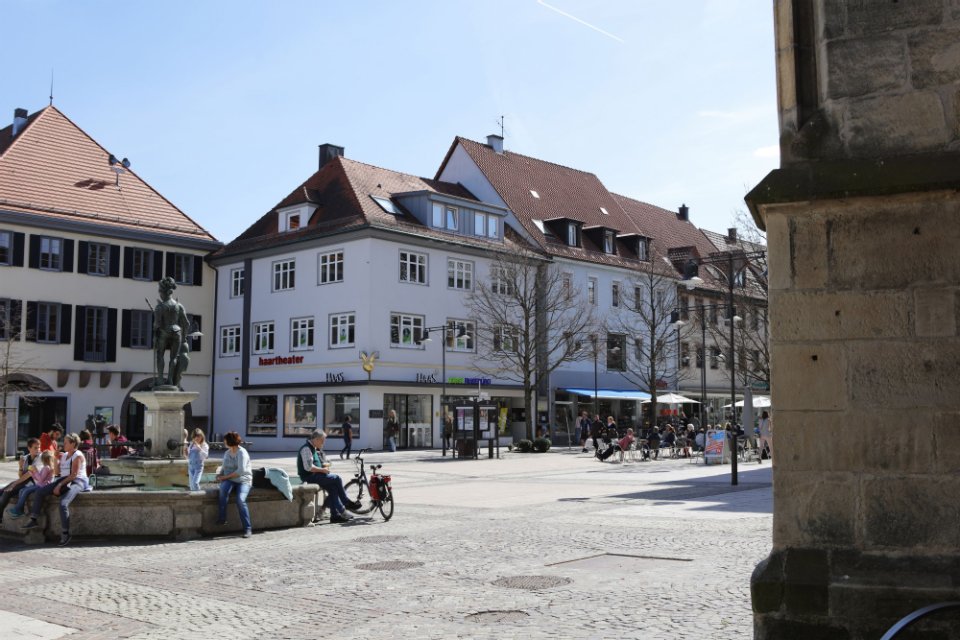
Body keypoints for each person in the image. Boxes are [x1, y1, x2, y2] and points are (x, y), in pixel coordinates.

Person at [21, 433, 91, 546]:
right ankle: (34, 519)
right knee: (39, 492)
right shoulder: (64, 455)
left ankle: (65, 533)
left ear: (73, 444)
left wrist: (58, 485)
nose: (63, 444)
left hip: (77, 481)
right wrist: (55, 459)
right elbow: (57, 472)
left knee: (63, 504)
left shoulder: (78, 455)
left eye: (66, 442)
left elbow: (73, 475)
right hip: (64, 479)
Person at [297, 430, 360, 523]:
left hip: (316, 475)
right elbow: (308, 467)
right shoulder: (307, 448)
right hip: (309, 477)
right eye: (322, 441)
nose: (323, 443)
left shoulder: (313, 447)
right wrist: (322, 470)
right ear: (316, 439)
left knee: (333, 488)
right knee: (337, 478)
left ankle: (335, 516)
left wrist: (323, 466)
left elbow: (314, 464)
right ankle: (345, 503)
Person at [153, 276, 191, 387]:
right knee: (173, 358)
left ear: (164, 292)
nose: (159, 293)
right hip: (177, 333)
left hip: (165, 332)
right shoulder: (179, 306)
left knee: (160, 355)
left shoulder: (160, 307)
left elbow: (157, 324)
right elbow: (186, 323)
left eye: (160, 291)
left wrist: (155, 335)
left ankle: (160, 379)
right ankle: (170, 380)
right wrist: (184, 337)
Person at [215, 431, 252, 538]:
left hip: (243, 480)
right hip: (230, 479)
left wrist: (224, 477)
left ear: (230, 441)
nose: (224, 441)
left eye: (225, 440)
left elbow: (240, 471)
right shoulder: (227, 453)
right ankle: (222, 519)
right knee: (223, 490)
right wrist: (219, 475)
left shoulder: (242, 453)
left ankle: (247, 529)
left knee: (240, 500)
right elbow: (224, 467)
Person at [0, 438, 41, 522]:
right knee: (1, 491)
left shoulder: (40, 458)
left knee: (6, 492)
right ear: (29, 448)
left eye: (39, 447)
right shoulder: (26, 458)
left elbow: (28, 475)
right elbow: (21, 476)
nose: (38, 450)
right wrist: (20, 467)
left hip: (34, 483)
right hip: (24, 481)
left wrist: (14, 484)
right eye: (35, 448)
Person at [9, 450, 56, 518]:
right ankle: (20, 509)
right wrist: (32, 473)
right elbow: (39, 478)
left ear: (43, 459)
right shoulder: (46, 467)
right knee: (22, 490)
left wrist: (35, 471)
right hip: (40, 485)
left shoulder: (47, 468)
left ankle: (17, 509)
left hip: (43, 486)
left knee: (25, 491)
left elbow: (40, 479)